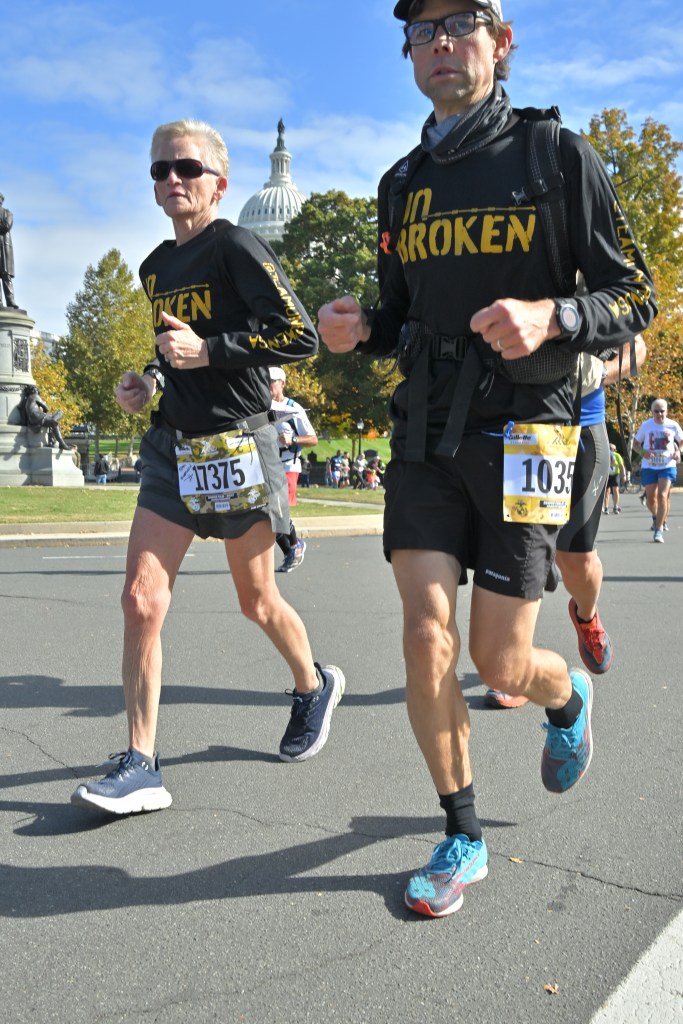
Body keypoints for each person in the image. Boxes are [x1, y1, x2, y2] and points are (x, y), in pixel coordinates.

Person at [317, 0, 656, 918]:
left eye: (458, 22)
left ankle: (566, 696)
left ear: (500, 43)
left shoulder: (555, 156)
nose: (437, 44)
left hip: (528, 428)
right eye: (419, 31)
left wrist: (555, 316)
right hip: (426, 429)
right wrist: (358, 327)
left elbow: (638, 296)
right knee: (425, 637)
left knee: (502, 662)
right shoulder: (402, 181)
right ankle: (461, 832)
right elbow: (397, 316)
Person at [71, 118, 344, 816]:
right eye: (159, 170)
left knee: (256, 602)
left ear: (219, 183)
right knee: (140, 600)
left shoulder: (239, 246)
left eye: (186, 169)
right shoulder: (156, 267)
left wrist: (212, 350)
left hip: (233, 446)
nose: (171, 181)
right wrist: (149, 383)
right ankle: (141, 762)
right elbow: (172, 352)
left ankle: (311, 684)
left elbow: (298, 338)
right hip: (172, 448)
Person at [486, 336, 647, 710]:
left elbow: (637, 347)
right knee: (522, 554)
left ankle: (586, 616)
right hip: (522, 429)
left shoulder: (593, 278)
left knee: (576, 559)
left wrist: (594, 374)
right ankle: (520, 664)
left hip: (583, 423)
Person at [269, 365, 318, 572]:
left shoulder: (293, 408)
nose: (268, 385)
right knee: (269, 513)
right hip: (268, 465)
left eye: (272, 381)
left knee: (277, 511)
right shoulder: (263, 406)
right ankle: (293, 550)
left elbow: (313, 439)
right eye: (265, 381)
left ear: (283, 384)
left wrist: (293, 439)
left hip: (289, 464)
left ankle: (295, 547)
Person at [633, 399, 683, 543]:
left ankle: (659, 530)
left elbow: (681, 441)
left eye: (662, 411)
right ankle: (656, 517)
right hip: (649, 466)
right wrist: (643, 452)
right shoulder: (646, 425)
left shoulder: (673, 425)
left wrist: (679, 452)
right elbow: (636, 444)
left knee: (662, 496)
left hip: (667, 465)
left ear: (666, 411)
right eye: (657, 411)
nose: (659, 414)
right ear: (652, 412)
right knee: (651, 500)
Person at [22, 384, 70, 449]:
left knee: (52, 420)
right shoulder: (35, 396)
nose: (37, 391)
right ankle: (61, 442)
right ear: (34, 391)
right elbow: (46, 408)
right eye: (36, 390)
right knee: (60, 412)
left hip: (33, 420)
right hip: (38, 417)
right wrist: (44, 413)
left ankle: (51, 442)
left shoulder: (27, 400)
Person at [0, 194, 18, 309]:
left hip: (4, 247)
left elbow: (6, 226)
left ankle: (10, 301)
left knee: (6, 276)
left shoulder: (8, 213)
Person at [603, 443, 625, 515]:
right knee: (606, 492)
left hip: (615, 475)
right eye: (609, 449)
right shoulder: (605, 455)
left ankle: (615, 506)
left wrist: (623, 475)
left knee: (615, 490)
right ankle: (606, 507)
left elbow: (621, 466)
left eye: (612, 449)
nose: (611, 451)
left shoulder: (617, 456)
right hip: (607, 475)